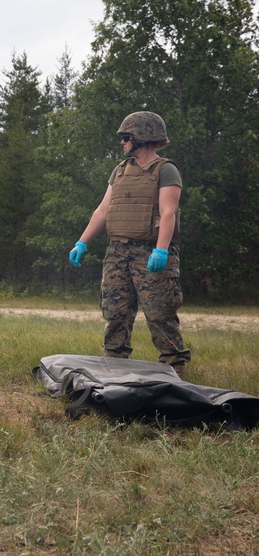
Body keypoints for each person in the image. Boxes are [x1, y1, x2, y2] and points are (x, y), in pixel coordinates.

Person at [69, 111, 189, 375]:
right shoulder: (120, 170)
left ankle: (174, 369)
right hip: (117, 253)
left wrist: (161, 249)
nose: (122, 142)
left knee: (160, 314)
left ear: (144, 137)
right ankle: (114, 366)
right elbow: (103, 210)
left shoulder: (165, 170)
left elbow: (168, 212)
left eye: (126, 137)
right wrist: (82, 242)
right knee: (115, 312)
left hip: (150, 252)